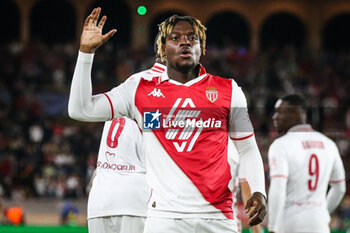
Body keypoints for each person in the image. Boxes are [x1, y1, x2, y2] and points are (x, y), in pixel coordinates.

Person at [69, 8, 266, 233]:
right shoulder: (138, 89)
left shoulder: (228, 90)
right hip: (163, 218)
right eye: (175, 38)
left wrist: (259, 191)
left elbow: (248, 149)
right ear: (163, 49)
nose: (185, 42)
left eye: (192, 38)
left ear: (202, 48)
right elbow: (80, 110)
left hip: (218, 218)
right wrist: (85, 54)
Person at [87, 59, 166, 233]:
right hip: (135, 199)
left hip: (100, 198)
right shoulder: (161, 92)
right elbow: (157, 151)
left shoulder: (126, 88)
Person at [268, 94, 346, 233]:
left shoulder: (281, 145)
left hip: (290, 223)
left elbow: (278, 188)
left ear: (297, 114)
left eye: (280, 112)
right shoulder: (329, 144)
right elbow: (340, 188)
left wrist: (273, 227)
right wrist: (321, 211)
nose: (275, 117)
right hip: (319, 224)